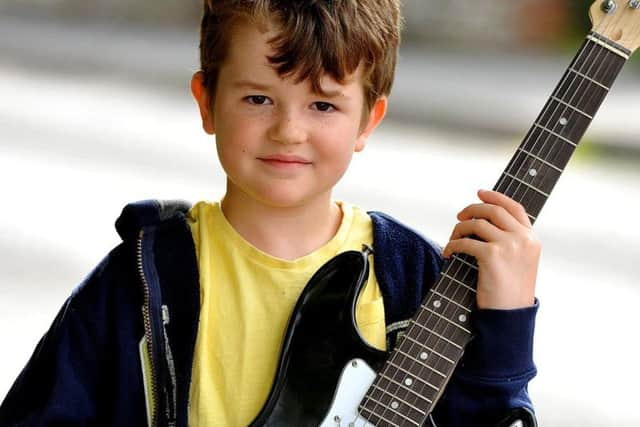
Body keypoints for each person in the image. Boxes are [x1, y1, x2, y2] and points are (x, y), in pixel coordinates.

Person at [0, 1, 540, 426]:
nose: (288, 130)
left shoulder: (407, 276)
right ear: (206, 101)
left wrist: (507, 325)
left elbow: (485, 417)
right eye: (258, 99)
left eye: (323, 104)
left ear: (368, 121)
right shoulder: (142, 278)